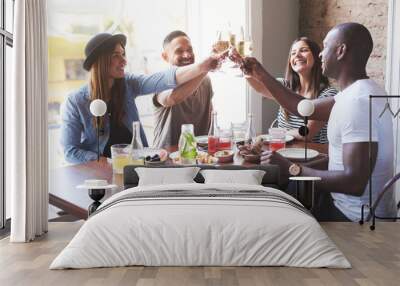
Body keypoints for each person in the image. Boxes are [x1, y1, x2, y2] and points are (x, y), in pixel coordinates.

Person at [237, 22, 396, 222]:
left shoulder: (357, 103)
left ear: (341, 51)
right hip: (349, 207)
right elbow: (300, 107)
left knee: (267, 207)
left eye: (326, 46)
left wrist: (293, 169)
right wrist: (258, 72)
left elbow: (355, 183)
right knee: (271, 190)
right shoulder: (359, 93)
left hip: (352, 217)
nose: (321, 54)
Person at [61, 32, 225, 164]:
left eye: (123, 54)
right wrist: (106, 161)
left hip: (138, 167)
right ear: (100, 61)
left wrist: (203, 66)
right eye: (116, 55)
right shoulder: (75, 101)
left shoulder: (129, 84)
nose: (124, 60)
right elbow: (70, 151)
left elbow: (162, 78)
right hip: (99, 173)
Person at [152, 31, 213, 148]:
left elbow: (210, 115)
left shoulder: (205, 80)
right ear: (165, 57)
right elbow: (171, 99)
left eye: (189, 50)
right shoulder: (160, 79)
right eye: (179, 51)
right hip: (166, 159)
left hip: (200, 156)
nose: (187, 55)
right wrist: (205, 68)